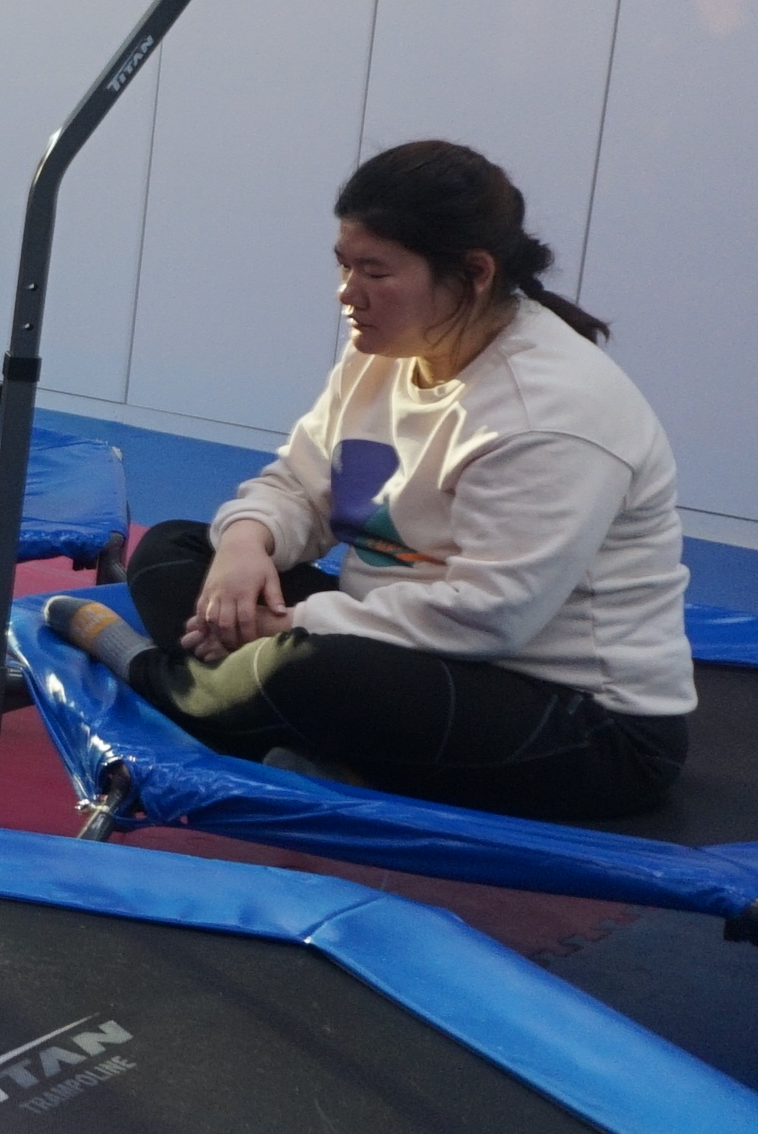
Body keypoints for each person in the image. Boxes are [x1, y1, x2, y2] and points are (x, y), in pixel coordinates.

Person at [51, 140, 691, 823]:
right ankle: (288, 729)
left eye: (374, 271)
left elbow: (489, 615)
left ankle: (155, 678)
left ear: (474, 273)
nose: (347, 292)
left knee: (305, 671)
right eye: (344, 264)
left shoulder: (551, 412)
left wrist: (290, 624)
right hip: (400, 649)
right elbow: (300, 485)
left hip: (583, 723)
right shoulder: (387, 350)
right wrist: (245, 546)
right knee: (176, 549)